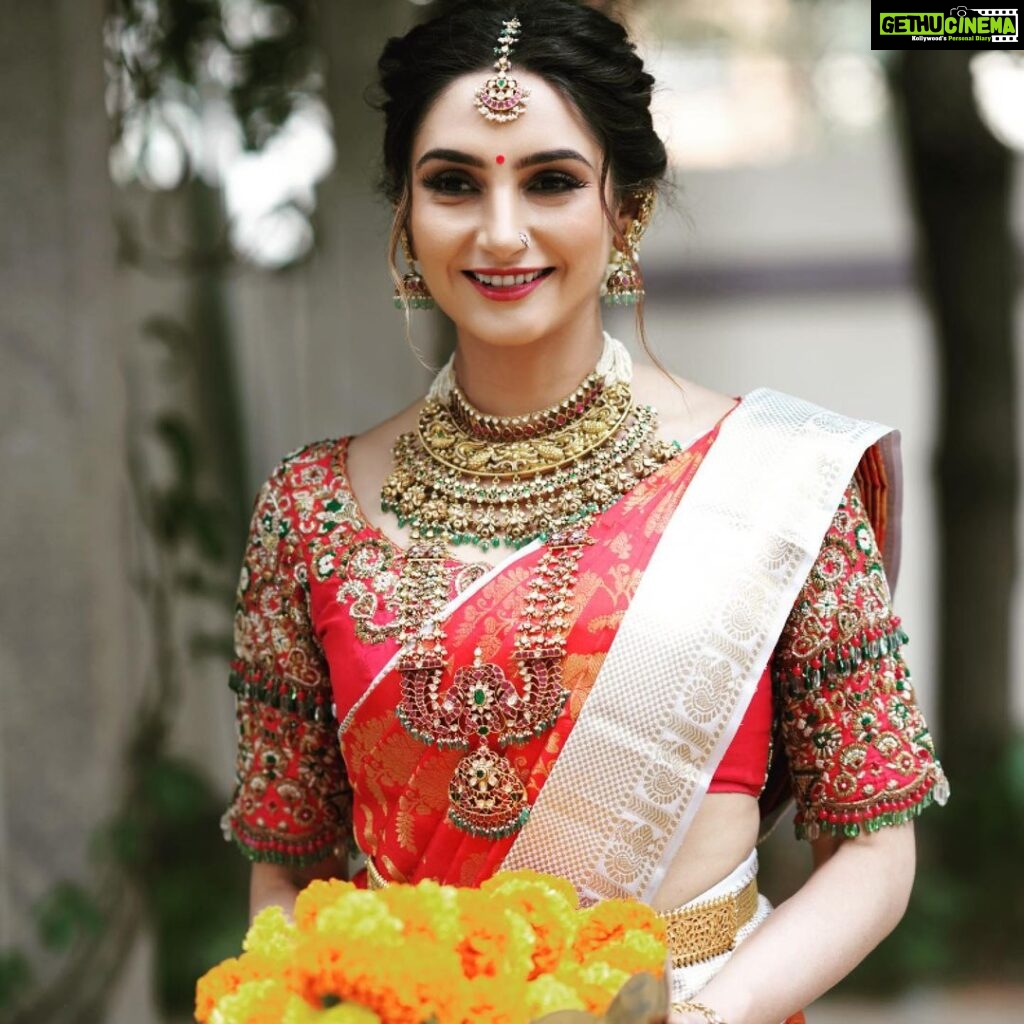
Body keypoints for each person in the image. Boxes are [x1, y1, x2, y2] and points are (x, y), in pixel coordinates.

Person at [220, 2, 949, 1021]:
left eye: (552, 180)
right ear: (404, 215)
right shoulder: (310, 509)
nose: (500, 230)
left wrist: (697, 1019)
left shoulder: (775, 482)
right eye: (453, 183)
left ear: (628, 210)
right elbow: (286, 865)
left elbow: (873, 849)